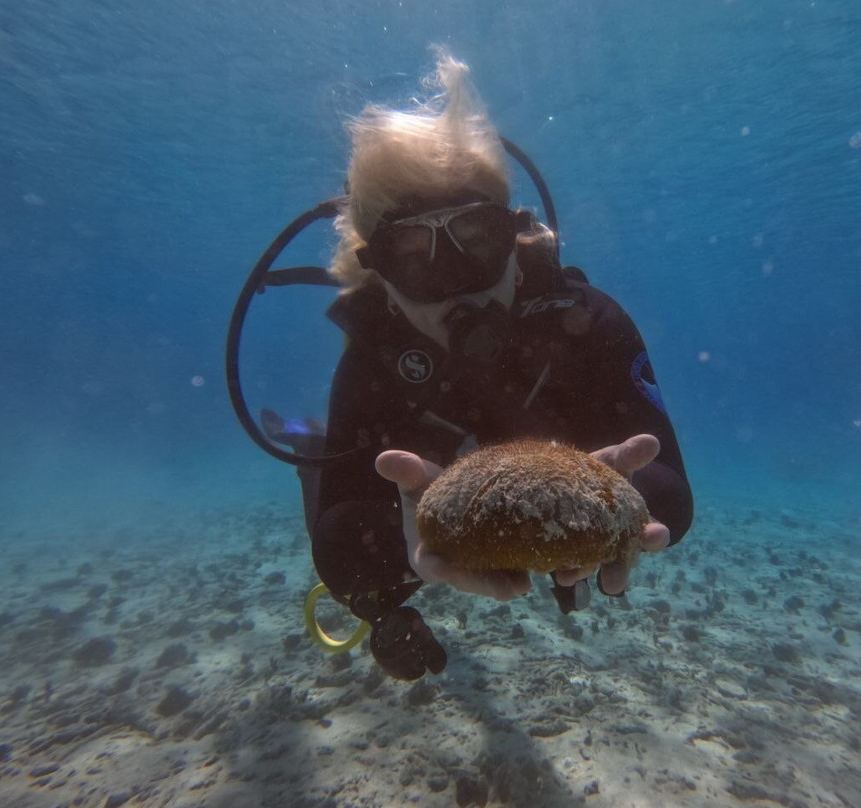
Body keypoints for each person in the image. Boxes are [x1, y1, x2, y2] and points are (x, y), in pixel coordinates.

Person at [268, 51, 693, 681]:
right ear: (383, 280)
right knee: (346, 520)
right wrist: (410, 545)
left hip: (532, 485)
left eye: (478, 241)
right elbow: (338, 545)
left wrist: (622, 506)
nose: (457, 286)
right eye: (415, 258)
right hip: (409, 488)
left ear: (516, 242)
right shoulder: (376, 360)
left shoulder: (588, 323)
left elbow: (670, 491)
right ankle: (312, 442)